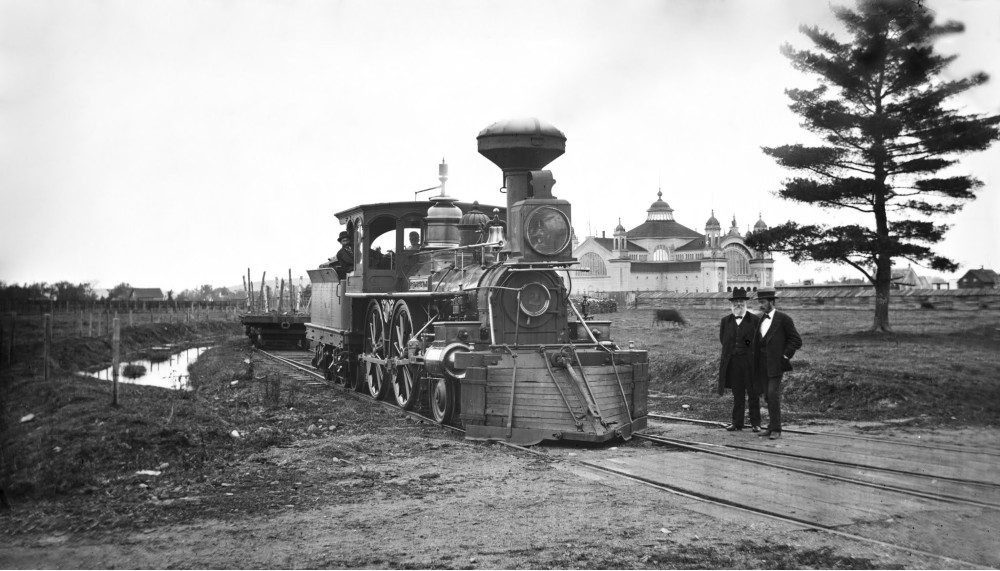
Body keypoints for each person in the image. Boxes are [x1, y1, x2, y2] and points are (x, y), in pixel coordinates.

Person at [755, 287, 802, 440]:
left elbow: (796, 340)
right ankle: (771, 427)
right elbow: (755, 340)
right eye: (759, 302)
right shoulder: (760, 319)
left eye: (762, 302)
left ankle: (777, 429)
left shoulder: (784, 319)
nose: (760, 305)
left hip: (776, 365)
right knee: (768, 397)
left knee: (772, 394)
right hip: (761, 366)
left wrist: (785, 355)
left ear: (771, 302)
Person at [717, 287, 761, 432]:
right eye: (736, 302)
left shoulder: (754, 320)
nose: (738, 305)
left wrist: (745, 344)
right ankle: (737, 423)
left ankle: (756, 423)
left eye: (741, 302)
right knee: (737, 394)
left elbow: (756, 340)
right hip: (733, 363)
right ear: (732, 303)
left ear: (745, 303)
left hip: (750, 363)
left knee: (753, 393)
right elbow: (723, 340)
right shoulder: (725, 321)